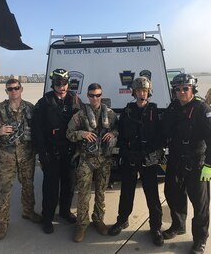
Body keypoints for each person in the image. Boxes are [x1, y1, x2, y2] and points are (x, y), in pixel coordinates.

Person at [108, 76, 164, 247]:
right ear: (134, 92)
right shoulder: (128, 111)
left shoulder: (155, 112)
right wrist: (126, 153)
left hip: (148, 159)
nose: (142, 94)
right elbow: (121, 134)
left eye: (145, 91)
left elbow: (160, 137)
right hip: (130, 158)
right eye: (139, 91)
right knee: (126, 192)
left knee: (152, 196)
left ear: (149, 92)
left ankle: (156, 227)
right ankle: (122, 220)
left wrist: (146, 152)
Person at [0, 79, 41, 240]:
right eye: (10, 89)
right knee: (4, 189)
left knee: (28, 185)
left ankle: (28, 211)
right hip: (6, 157)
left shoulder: (30, 108)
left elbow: (38, 131)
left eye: (16, 88)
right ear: (6, 91)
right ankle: (2, 222)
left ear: (21, 89)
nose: (13, 91)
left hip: (26, 156)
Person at [163, 73, 211, 254]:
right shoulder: (173, 107)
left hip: (197, 164)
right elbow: (164, 131)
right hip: (176, 161)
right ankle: (178, 225)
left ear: (192, 89)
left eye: (185, 88)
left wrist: (209, 165)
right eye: (178, 89)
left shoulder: (201, 108)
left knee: (200, 205)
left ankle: (200, 239)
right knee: (172, 194)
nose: (181, 92)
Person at [31, 68, 82, 234]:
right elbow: (36, 130)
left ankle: (65, 212)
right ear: (53, 84)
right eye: (59, 83)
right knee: (51, 188)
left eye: (65, 83)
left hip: (69, 151)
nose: (62, 87)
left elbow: (83, 122)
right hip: (51, 152)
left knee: (69, 185)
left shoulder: (75, 99)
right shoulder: (44, 102)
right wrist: (42, 152)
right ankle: (47, 218)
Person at [66, 83, 118, 242]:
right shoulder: (80, 115)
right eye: (91, 95)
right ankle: (82, 224)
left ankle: (98, 219)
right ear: (88, 96)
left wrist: (112, 134)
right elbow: (69, 133)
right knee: (83, 194)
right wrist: (82, 134)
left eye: (97, 95)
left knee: (101, 192)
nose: (95, 98)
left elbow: (118, 130)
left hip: (104, 160)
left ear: (101, 95)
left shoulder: (110, 114)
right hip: (86, 160)